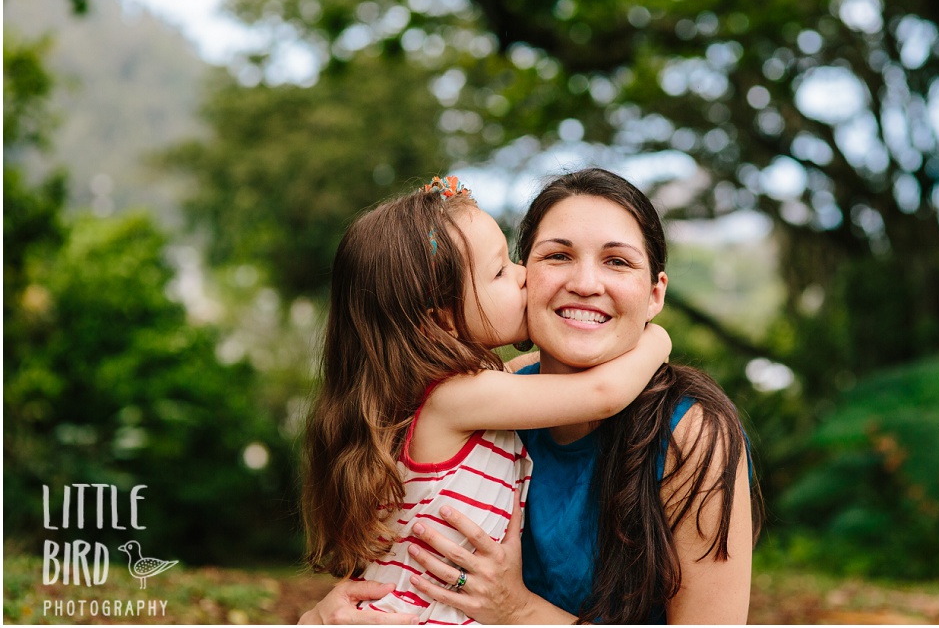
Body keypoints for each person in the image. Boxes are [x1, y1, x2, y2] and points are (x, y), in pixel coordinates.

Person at [302, 169, 758, 626]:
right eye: (556, 256)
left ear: (655, 293)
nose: (585, 283)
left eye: (617, 262)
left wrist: (518, 611)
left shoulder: (689, 433)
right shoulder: (481, 399)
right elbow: (599, 393)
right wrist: (319, 620)